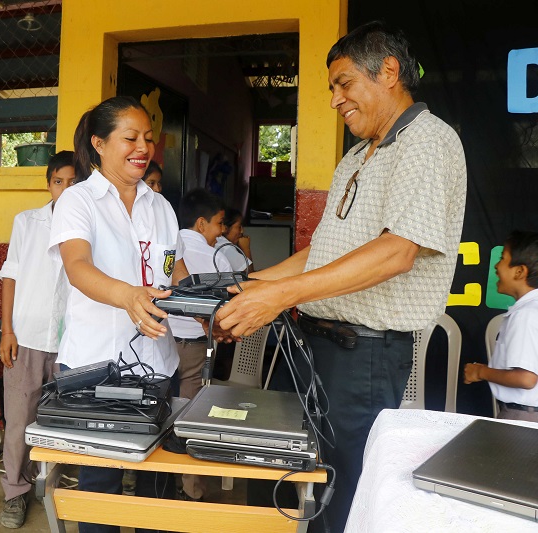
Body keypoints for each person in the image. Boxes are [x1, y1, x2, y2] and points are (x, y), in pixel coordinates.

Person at [217, 21, 466, 531]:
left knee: (343, 494)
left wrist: (280, 295)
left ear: (389, 72)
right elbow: (323, 252)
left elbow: (397, 252)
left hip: (364, 358)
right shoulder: (356, 155)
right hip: (314, 347)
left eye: (344, 83)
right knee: (294, 481)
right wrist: (252, 289)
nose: (335, 100)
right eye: (333, 88)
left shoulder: (428, 141)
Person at [49, 95, 189, 533]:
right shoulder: (79, 201)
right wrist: (128, 296)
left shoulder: (160, 206)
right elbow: (78, 268)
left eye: (148, 138)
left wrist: (207, 310)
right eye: (130, 138)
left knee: (156, 474)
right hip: (96, 364)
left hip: (157, 363)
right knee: (100, 481)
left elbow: (175, 271)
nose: (142, 147)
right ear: (99, 143)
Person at [0, 150, 76, 529]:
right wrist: (7, 331)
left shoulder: (86, 226)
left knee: (62, 421)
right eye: (58, 181)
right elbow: (10, 275)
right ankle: (15, 491)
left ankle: (53, 485)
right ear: (48, 184)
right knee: (19, 421)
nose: (64, 188)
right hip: (26, 337)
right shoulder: (27, 223)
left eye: (73, 182)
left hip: (73, 342)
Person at [169, 188, 230, 503]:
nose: (221, 231)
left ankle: (149, 482)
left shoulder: (167, 240)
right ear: (203, 223)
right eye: (220, 224)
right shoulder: (217, 255)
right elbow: (243, 274)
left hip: (161, 340)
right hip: (195, 344)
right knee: (190, 415)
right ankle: (192, 490)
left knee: (157, 409)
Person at [464, 231, 538, 423]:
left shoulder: (525, 315)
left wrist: (480, 372)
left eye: (502, 259)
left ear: (519, 271)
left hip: (523, 417)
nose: (496, 266)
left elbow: (526, 379)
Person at [216, 208, 254, 273]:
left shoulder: (218, 241)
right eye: (239, 227)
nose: (242, 231)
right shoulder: (226, 247)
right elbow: (249, 275)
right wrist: (246, 249)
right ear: (226, 228)